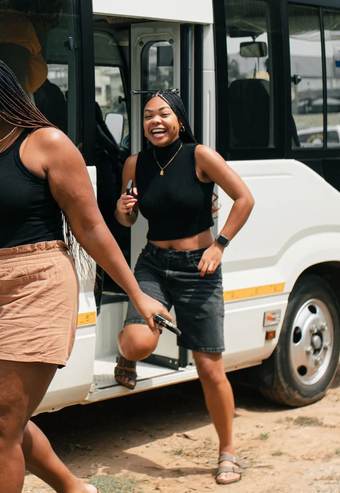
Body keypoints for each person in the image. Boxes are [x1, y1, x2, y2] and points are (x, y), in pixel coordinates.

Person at [0, 54, 169, 493]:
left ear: (0, 93)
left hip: (36, 283)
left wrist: (136, 294)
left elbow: (91, 227)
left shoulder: (48, 143)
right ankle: (75, 489)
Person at [114, 89, 255, 485]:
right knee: (138, 342)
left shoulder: (199, 156)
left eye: (163, 114)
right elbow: (126, 219)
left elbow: (244, 199)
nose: (155, 122)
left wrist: (220, 244)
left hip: (199, 270)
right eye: (147, 116)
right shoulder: (134, 163)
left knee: (209, 368)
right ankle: (126, 358)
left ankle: (227, 452)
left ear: (178, 118)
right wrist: (123, 212)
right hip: (153, 265)